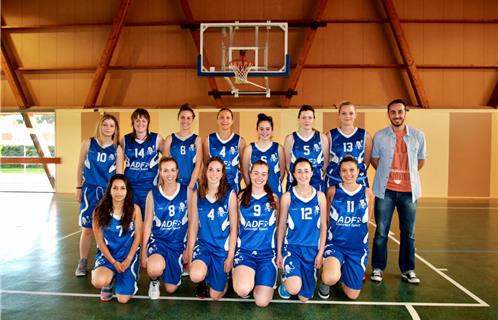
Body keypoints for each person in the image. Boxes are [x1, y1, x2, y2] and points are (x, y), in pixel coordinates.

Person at [370, 99, 426, 284]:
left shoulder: (418, 136)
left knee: (408, 233)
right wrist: (389, 176)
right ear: (388, 114)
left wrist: (405, 177)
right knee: (381, 232)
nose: (397, 115)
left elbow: (420, 161)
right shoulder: (380, 136)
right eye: (393, 112)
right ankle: (378, 268)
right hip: (385, 191)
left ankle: (408, 269)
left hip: (409, 193)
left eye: (400, 112)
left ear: (405, 113)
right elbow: (375, 160)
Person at [318, 156, 374, 300]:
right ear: (339, 173)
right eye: (344, 170)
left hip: (357, 248)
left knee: (352, 295)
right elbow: (327, 218)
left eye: (352, 170)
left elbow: (367, 221)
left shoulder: (367, 193)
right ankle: (328, 278)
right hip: (336, 244)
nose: (348, 174)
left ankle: (343, 270)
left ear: (358, 171)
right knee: (331, 277)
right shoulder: (332, 191)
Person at [75, 114, 123, 277]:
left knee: (106, 228)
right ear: (100, 126)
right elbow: (80, 165)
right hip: (89, 191)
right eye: (105, 124)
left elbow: (119, 174)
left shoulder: (117, 148)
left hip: (107, 192)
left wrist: (118, 193)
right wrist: (78, 187)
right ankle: (82, 261)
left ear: (115, 129)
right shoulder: (88, 143)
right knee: (87, 229)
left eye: (111, 125)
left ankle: (102, 260)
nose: (108, 128)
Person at [186, 157, 238, 300]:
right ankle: (202, 279)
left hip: (221, 249)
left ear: (222, 174)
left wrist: (230, 258)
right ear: (205, 172)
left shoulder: (230, 195)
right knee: (195, 275)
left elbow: (234, 229)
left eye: (218, 170)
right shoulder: (197, 195)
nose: (214, 174)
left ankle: (224, 279)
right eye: (210, 170)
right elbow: (193, 227)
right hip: (203, 246)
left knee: (215, 296)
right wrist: (190, 255)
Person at [276, 158, 327, 302]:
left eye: (306, 171)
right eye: (299, 171)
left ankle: (296, 278)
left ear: (311, 173)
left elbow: (323, 226)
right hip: (292, 248)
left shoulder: (320, 197)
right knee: (293, 288)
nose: (303, 175)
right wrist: (279, 253)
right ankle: (286, 279)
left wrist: (321, 253)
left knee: (304, 298)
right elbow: (281, 226)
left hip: (312, 250)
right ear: (293, 174)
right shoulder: (287, 197)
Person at [141, 157, 191, 299]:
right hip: (159, 242)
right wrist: (144, 251)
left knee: (170, 289)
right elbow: (148, 224)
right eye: (165, 170)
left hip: (178, 244)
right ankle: (154, 281)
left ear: (177, 171)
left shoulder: (187, 192)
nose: (170, 174)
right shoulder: (153, 194)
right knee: (154, 268)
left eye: (172, 170)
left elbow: (193, 223)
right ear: (160, 172)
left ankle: (176, 266)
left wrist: (188, 249)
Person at [233, 160, 279, 307]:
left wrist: (280, 254)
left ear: (268, 176)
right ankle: (245, 278)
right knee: (242, 289)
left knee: (262, 302)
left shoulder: (274, 199)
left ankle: (261, 279)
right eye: (256, 173)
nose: (259, 177)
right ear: (250, 174)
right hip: (245, 252)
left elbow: (279, 228)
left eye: (263, 174)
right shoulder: (240, 198)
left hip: (266, 254)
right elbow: (233, 227)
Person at [91, 174, 142, 303]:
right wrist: (114, 262)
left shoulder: (135, 209)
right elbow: (100, 242)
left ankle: (129, 274)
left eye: (122, 188)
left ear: (127, 190)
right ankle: (109, 281)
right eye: (115, 188)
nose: (119, 192)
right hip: (108, 256)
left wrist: (128, 259)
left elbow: (138, 237)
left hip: (127, 256)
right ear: (109, 190)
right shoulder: (99, 211)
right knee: (99, 281)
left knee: (123, 299)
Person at [122, 108, 163, 218]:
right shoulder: (125, 140)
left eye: (144, 120)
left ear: (148, 123)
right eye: (137, 120)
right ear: (133, 123)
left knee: (149, 220)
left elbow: (167, 159)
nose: (140, 123)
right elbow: (118, 164)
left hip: (150, 187)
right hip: (131, 187)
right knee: (132, 220)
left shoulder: (157, 139)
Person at [326, 101, 372, 188]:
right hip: (335, 180)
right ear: (339, 115)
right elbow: (326, 159)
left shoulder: (365, 135)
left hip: (358, 181)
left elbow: (366, 161)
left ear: (355, 115)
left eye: (351, 113)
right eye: (344, 113)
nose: (347, 116)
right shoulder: (330, 135)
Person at [284, 105, 329, 192]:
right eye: (303, 117)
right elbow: (288, 165)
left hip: (316, 183)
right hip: (296, 183)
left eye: (310, 117)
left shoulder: (322, 138)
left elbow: (325, 164)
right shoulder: (290, 139)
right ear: (298, 119)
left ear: (314, 119)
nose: (307, 121)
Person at [242, 113, 285, 198]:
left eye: (267, 129)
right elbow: (245, 173)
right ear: (257, 130)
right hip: (255, 193)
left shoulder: (278, 148)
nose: (264, 132)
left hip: (275, 191)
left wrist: (275, 183)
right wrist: (252, 188)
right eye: (261, 129)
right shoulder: (249, 149)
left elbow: (282, 172)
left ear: (272, 130)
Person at [204, 107, 246, 193]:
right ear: (217, 120)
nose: (225, 120)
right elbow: (206, 166)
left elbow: (243, 167)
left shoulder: (240, 141)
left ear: (232, 121)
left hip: (233, 187)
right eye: (221, 117)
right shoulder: (208, 139)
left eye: (228, 118)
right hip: (214, 187)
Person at [163, 104, 202, 191]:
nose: (185, 120)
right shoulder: (170, 139)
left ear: (192, 120)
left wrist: (190, 186)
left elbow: (198, 165)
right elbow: (164, 166)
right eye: (183, 117)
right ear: (178, 118)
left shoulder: (197, 139)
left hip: (191, 183)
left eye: (188, 118)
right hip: (173, 183)